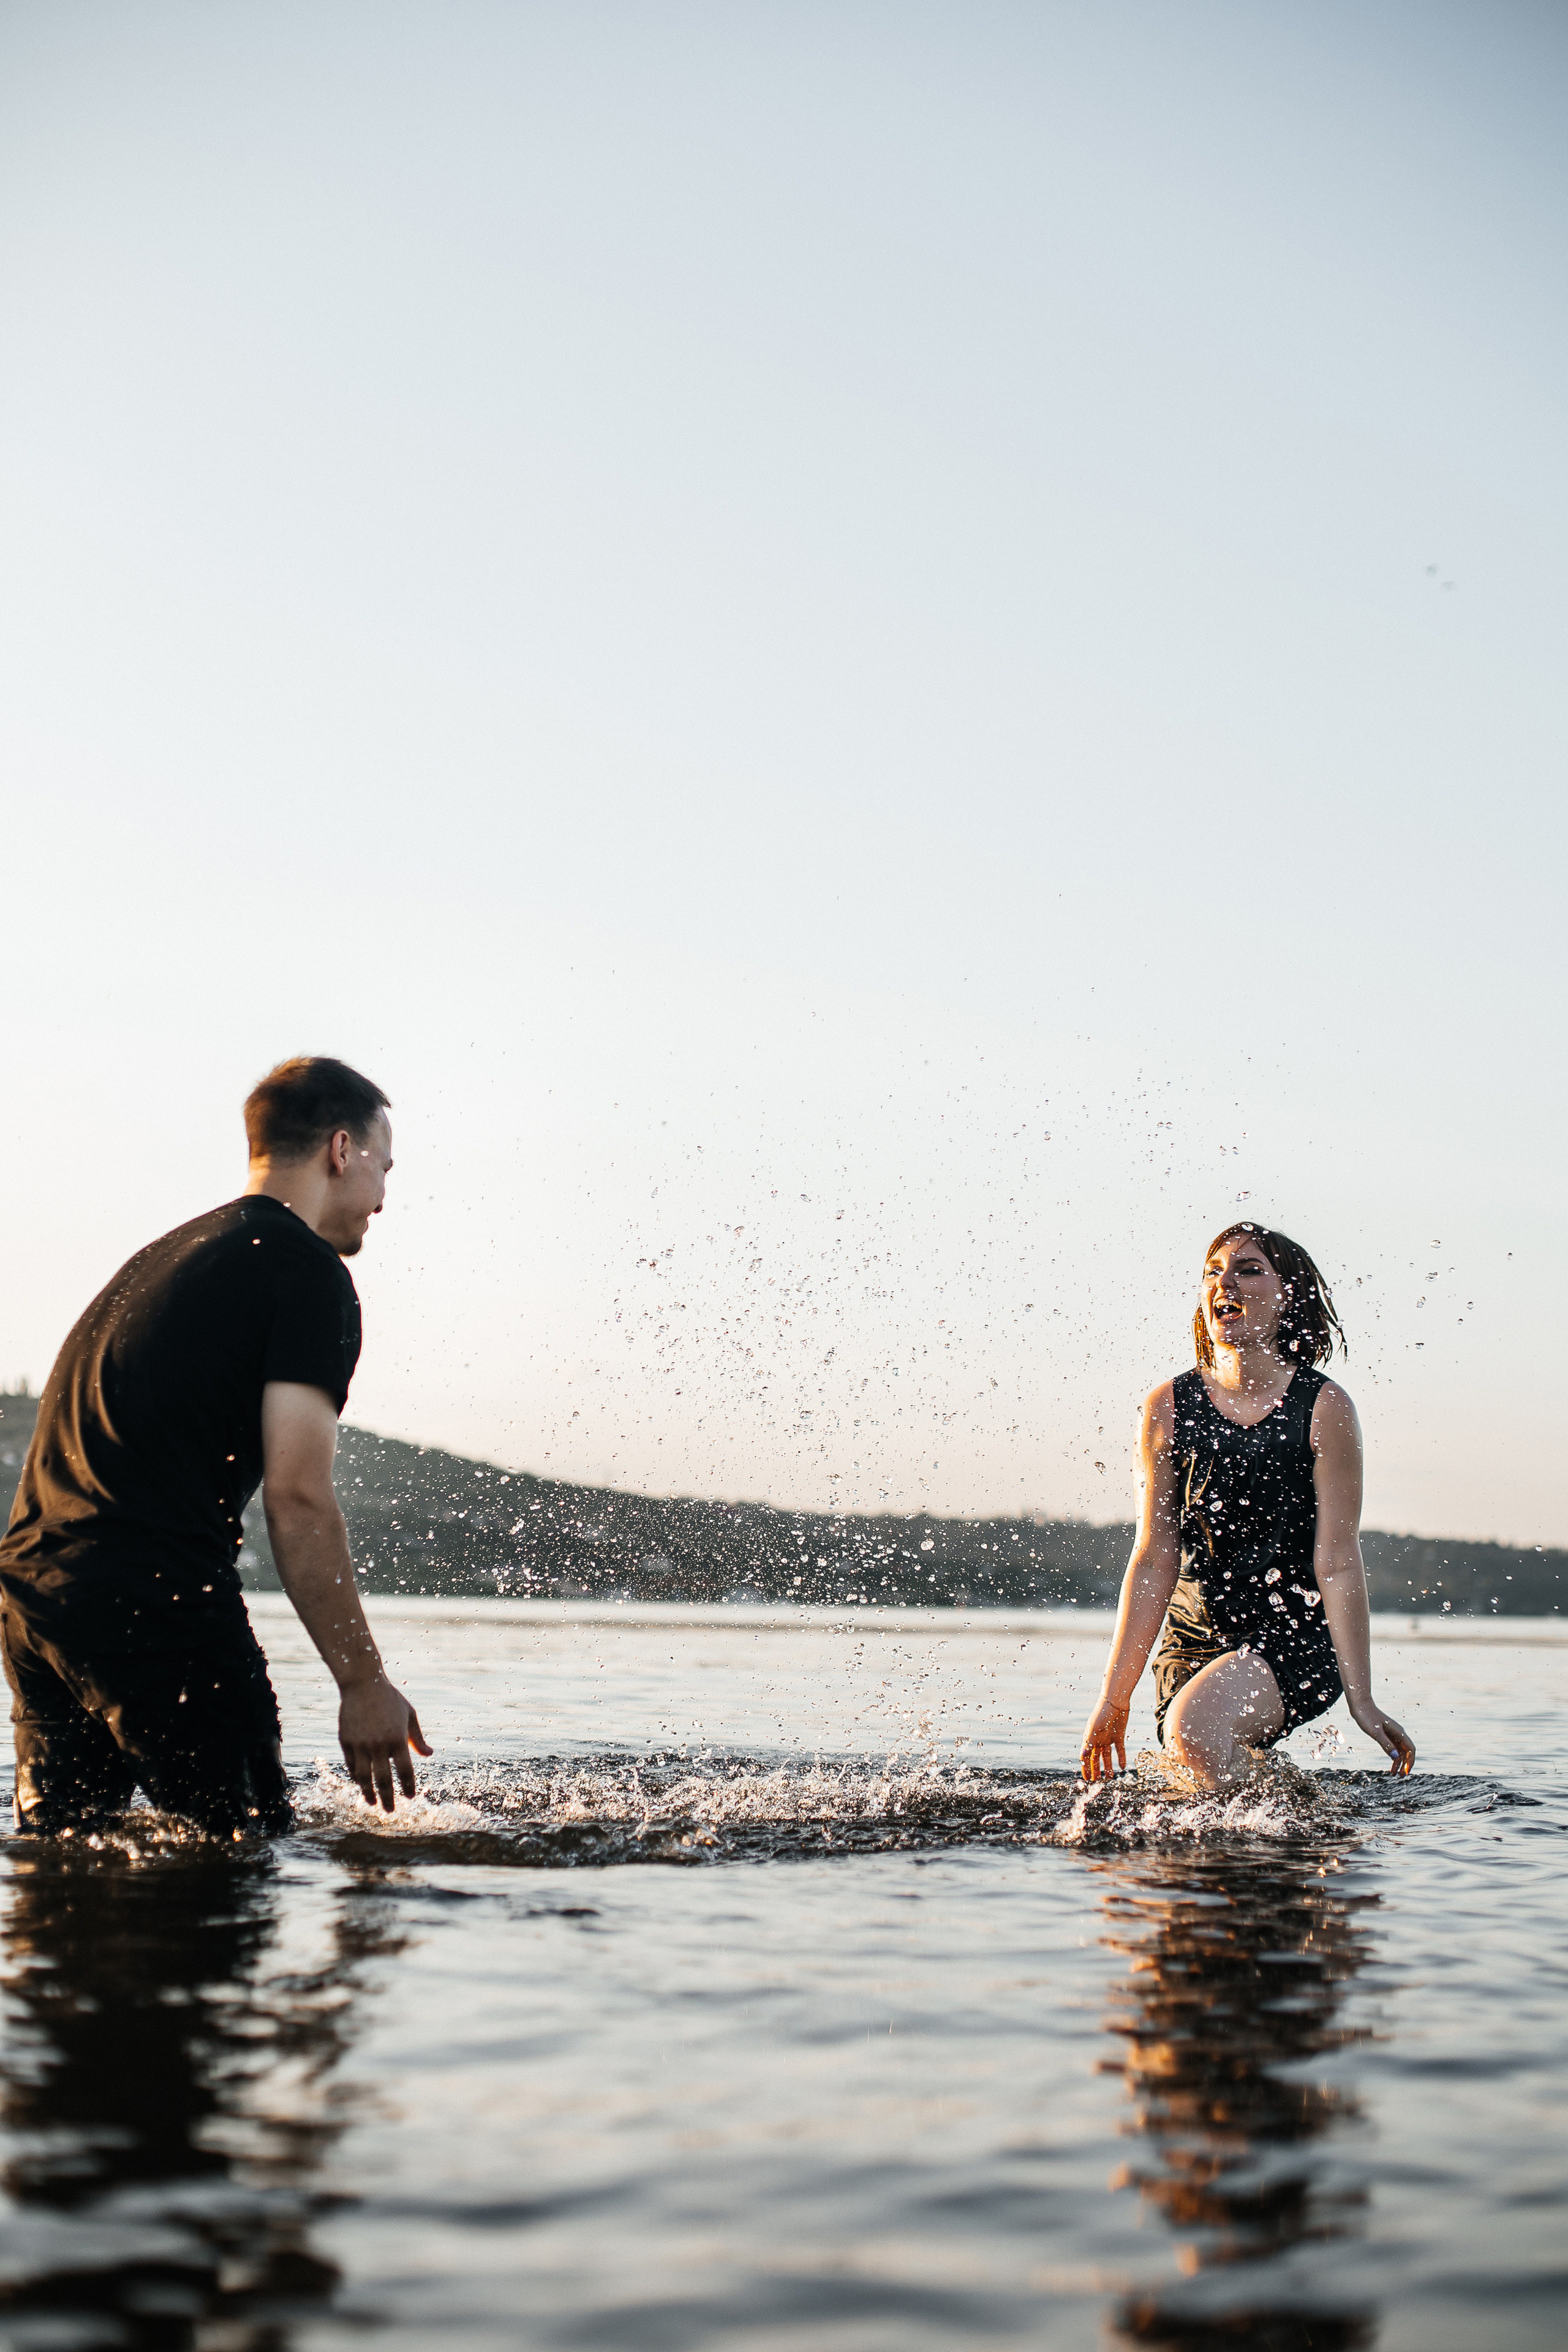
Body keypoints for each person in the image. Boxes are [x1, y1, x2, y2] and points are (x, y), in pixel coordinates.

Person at [0, 1057, 429, 1837]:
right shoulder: (304, 1272)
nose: (383, 1198)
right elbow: (299, 1495)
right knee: (240, 1852)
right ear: (341, 1150)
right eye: (383, 1167)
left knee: (66, 1858)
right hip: (151, 1600)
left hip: (35, 1596)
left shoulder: (163, 1258)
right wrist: (363, 1682)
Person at [1079, 1223, 1414, 1790]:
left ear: (1290, 1296)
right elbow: (1155, 1559)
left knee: (1199, 1728)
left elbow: (1336, 1561)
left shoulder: (1324, 1407)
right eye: (1213, 1271)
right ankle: (1277, 1821)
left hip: (1294, 1638)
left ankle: (1270, 1835)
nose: (1223, 1282)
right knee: (1196, 1764)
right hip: (1192, 1646)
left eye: (1248, 1269)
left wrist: (1364, 1700)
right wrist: (1114, 1699)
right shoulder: (1168, 1407)